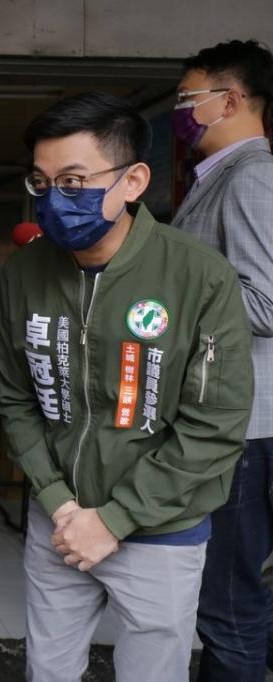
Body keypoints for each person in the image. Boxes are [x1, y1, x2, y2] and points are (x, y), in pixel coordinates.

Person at [0, 92, 254, 682]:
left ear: (134, 180)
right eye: (42, 182)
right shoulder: (25, 273)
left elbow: (214, 425)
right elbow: (13, 396)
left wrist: (113, 519)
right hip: (58, 519)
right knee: (48, 670)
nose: (56, 200)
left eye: (75, 181)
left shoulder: (199, 276)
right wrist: (59, 501)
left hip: (162, 528)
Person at [170, 39, 273, 682]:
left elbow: (265, 302)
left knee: (228, 608)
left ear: (230, 100)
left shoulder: (252, 175)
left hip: (242, 429)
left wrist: (163, 285)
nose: (181, 111)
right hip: (228, 423)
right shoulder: (219, 178)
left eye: (188, 99)